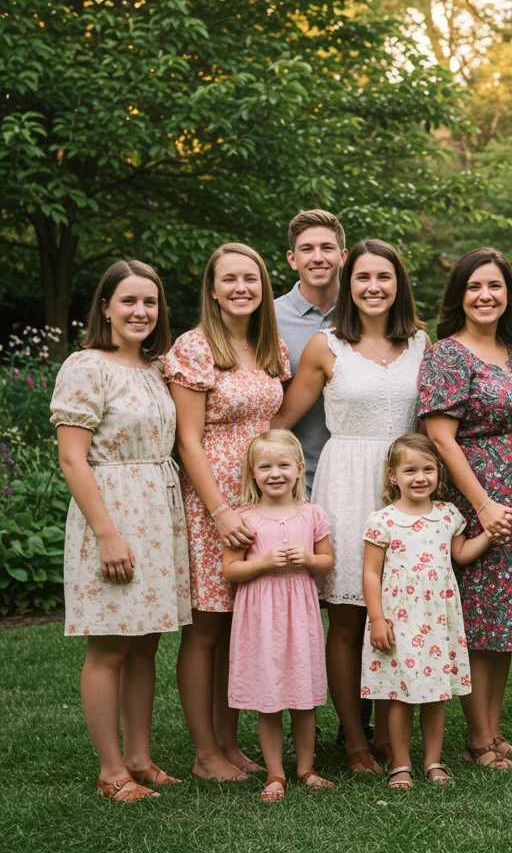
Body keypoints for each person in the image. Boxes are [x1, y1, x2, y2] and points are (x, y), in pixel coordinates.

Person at [273, 238, 427, 774]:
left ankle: (388, 730)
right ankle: (354, 739)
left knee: (399, 612)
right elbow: (281, 424)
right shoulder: (326, 345)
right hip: (344, 480)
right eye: (363, 278)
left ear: (398, 284)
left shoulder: (420, 344)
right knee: (346, 618)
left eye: (384, 277)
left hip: (403, 487)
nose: (373, 287)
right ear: (348, 284)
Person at [51, 261, 192, 801]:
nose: (140, 312)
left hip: (158, 513)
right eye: (128, 301)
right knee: (109, 648)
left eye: (150, 303)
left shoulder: (158, 369)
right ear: (105, 307)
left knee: (145, 645)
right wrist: (107, 534)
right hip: (112, 513)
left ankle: (139, 757)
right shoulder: (87, 367)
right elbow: (72, 459)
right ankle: (111, 772)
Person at [419, 248, 512, 770]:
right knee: (478, 621)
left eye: (495, 287)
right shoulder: (448, 355)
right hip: (478, 495)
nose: (485, 296)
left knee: (505, 621)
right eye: (475, 287)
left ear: (508, 295)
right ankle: (476, 739)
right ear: (459, 295)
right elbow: (441, 437)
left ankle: (493, 733)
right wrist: (482, 504)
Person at [163, 242, 290, 781]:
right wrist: (218, 509)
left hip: (259, 498)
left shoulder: (268, 347)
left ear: (262, 287)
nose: (242, 288)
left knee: (240, 624)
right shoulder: (194, 350)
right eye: (230, 279)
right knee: (207, 629)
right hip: (211, 499)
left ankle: (230, 744)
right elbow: (186, 439)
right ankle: (205, 753)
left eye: (252, 279)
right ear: (212, 288)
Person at [362, 434, 491, 789]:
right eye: (410, 471)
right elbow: (371, 572)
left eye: (428, 470)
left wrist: (490, 534)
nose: (419, 478)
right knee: (402, 694)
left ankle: (433, 760)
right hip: (398, 619)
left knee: (436, 694)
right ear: (393, 475)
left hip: (437, 620)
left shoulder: (448, 515)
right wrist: (376, 618)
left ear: (439, 474)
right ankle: (401, 763)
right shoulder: (383, 520)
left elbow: (461, 554)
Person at [223, 430, 335, 802]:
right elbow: (230, 571)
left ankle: (306, 768)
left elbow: (326, 562)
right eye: (265, 466)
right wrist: (263, 563)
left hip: (299, 613)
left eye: (284, 465)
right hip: (260, 616)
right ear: (252, 473)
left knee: (302, 695)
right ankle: (275, 773)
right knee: (267, 696)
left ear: (299, 468)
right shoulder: (243, 518)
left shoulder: (312, 514)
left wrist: (309, 560)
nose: (275, 473)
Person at [274, 209, 348, 494]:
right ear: (293, 259)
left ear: (343, 256)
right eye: (307, 249)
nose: (318, 257)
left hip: (355, 473)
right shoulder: (267, 318)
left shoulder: (366, 316)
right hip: (290, 480)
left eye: (327, 248)